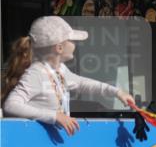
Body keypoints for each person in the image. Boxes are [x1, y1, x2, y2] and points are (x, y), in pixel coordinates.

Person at [2, 16, 135, 134]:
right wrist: (55, 116)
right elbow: (11, 106)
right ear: (59, 48)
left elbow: (83, 83)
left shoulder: (60, 69)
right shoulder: (36, 73)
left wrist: (117, 92)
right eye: (72, 40)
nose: (75, 44)